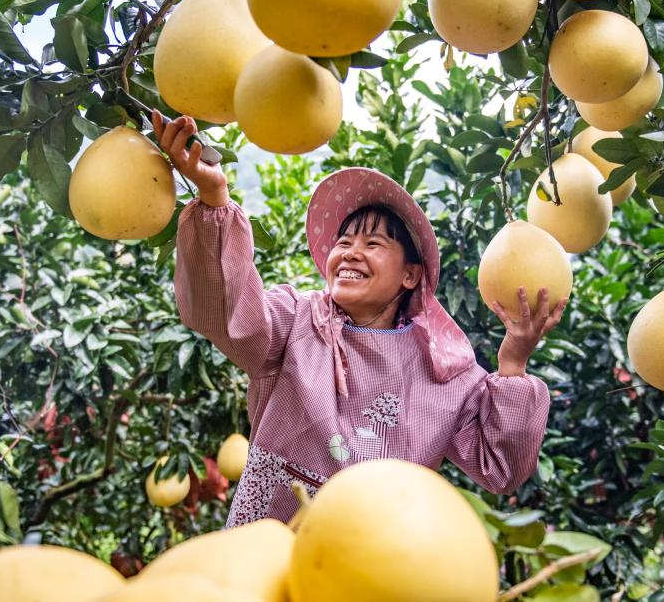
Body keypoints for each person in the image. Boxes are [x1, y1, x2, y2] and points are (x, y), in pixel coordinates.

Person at [153, 111, 567, 527]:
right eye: (344, 242)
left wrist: (512, 364)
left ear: (411, 275)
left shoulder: (446, 373)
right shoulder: (296, 320)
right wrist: (214, 200)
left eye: (373, 243)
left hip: (369, 560)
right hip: (266, 549)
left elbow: (501, 469)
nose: (351, 252)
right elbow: (223, 310)